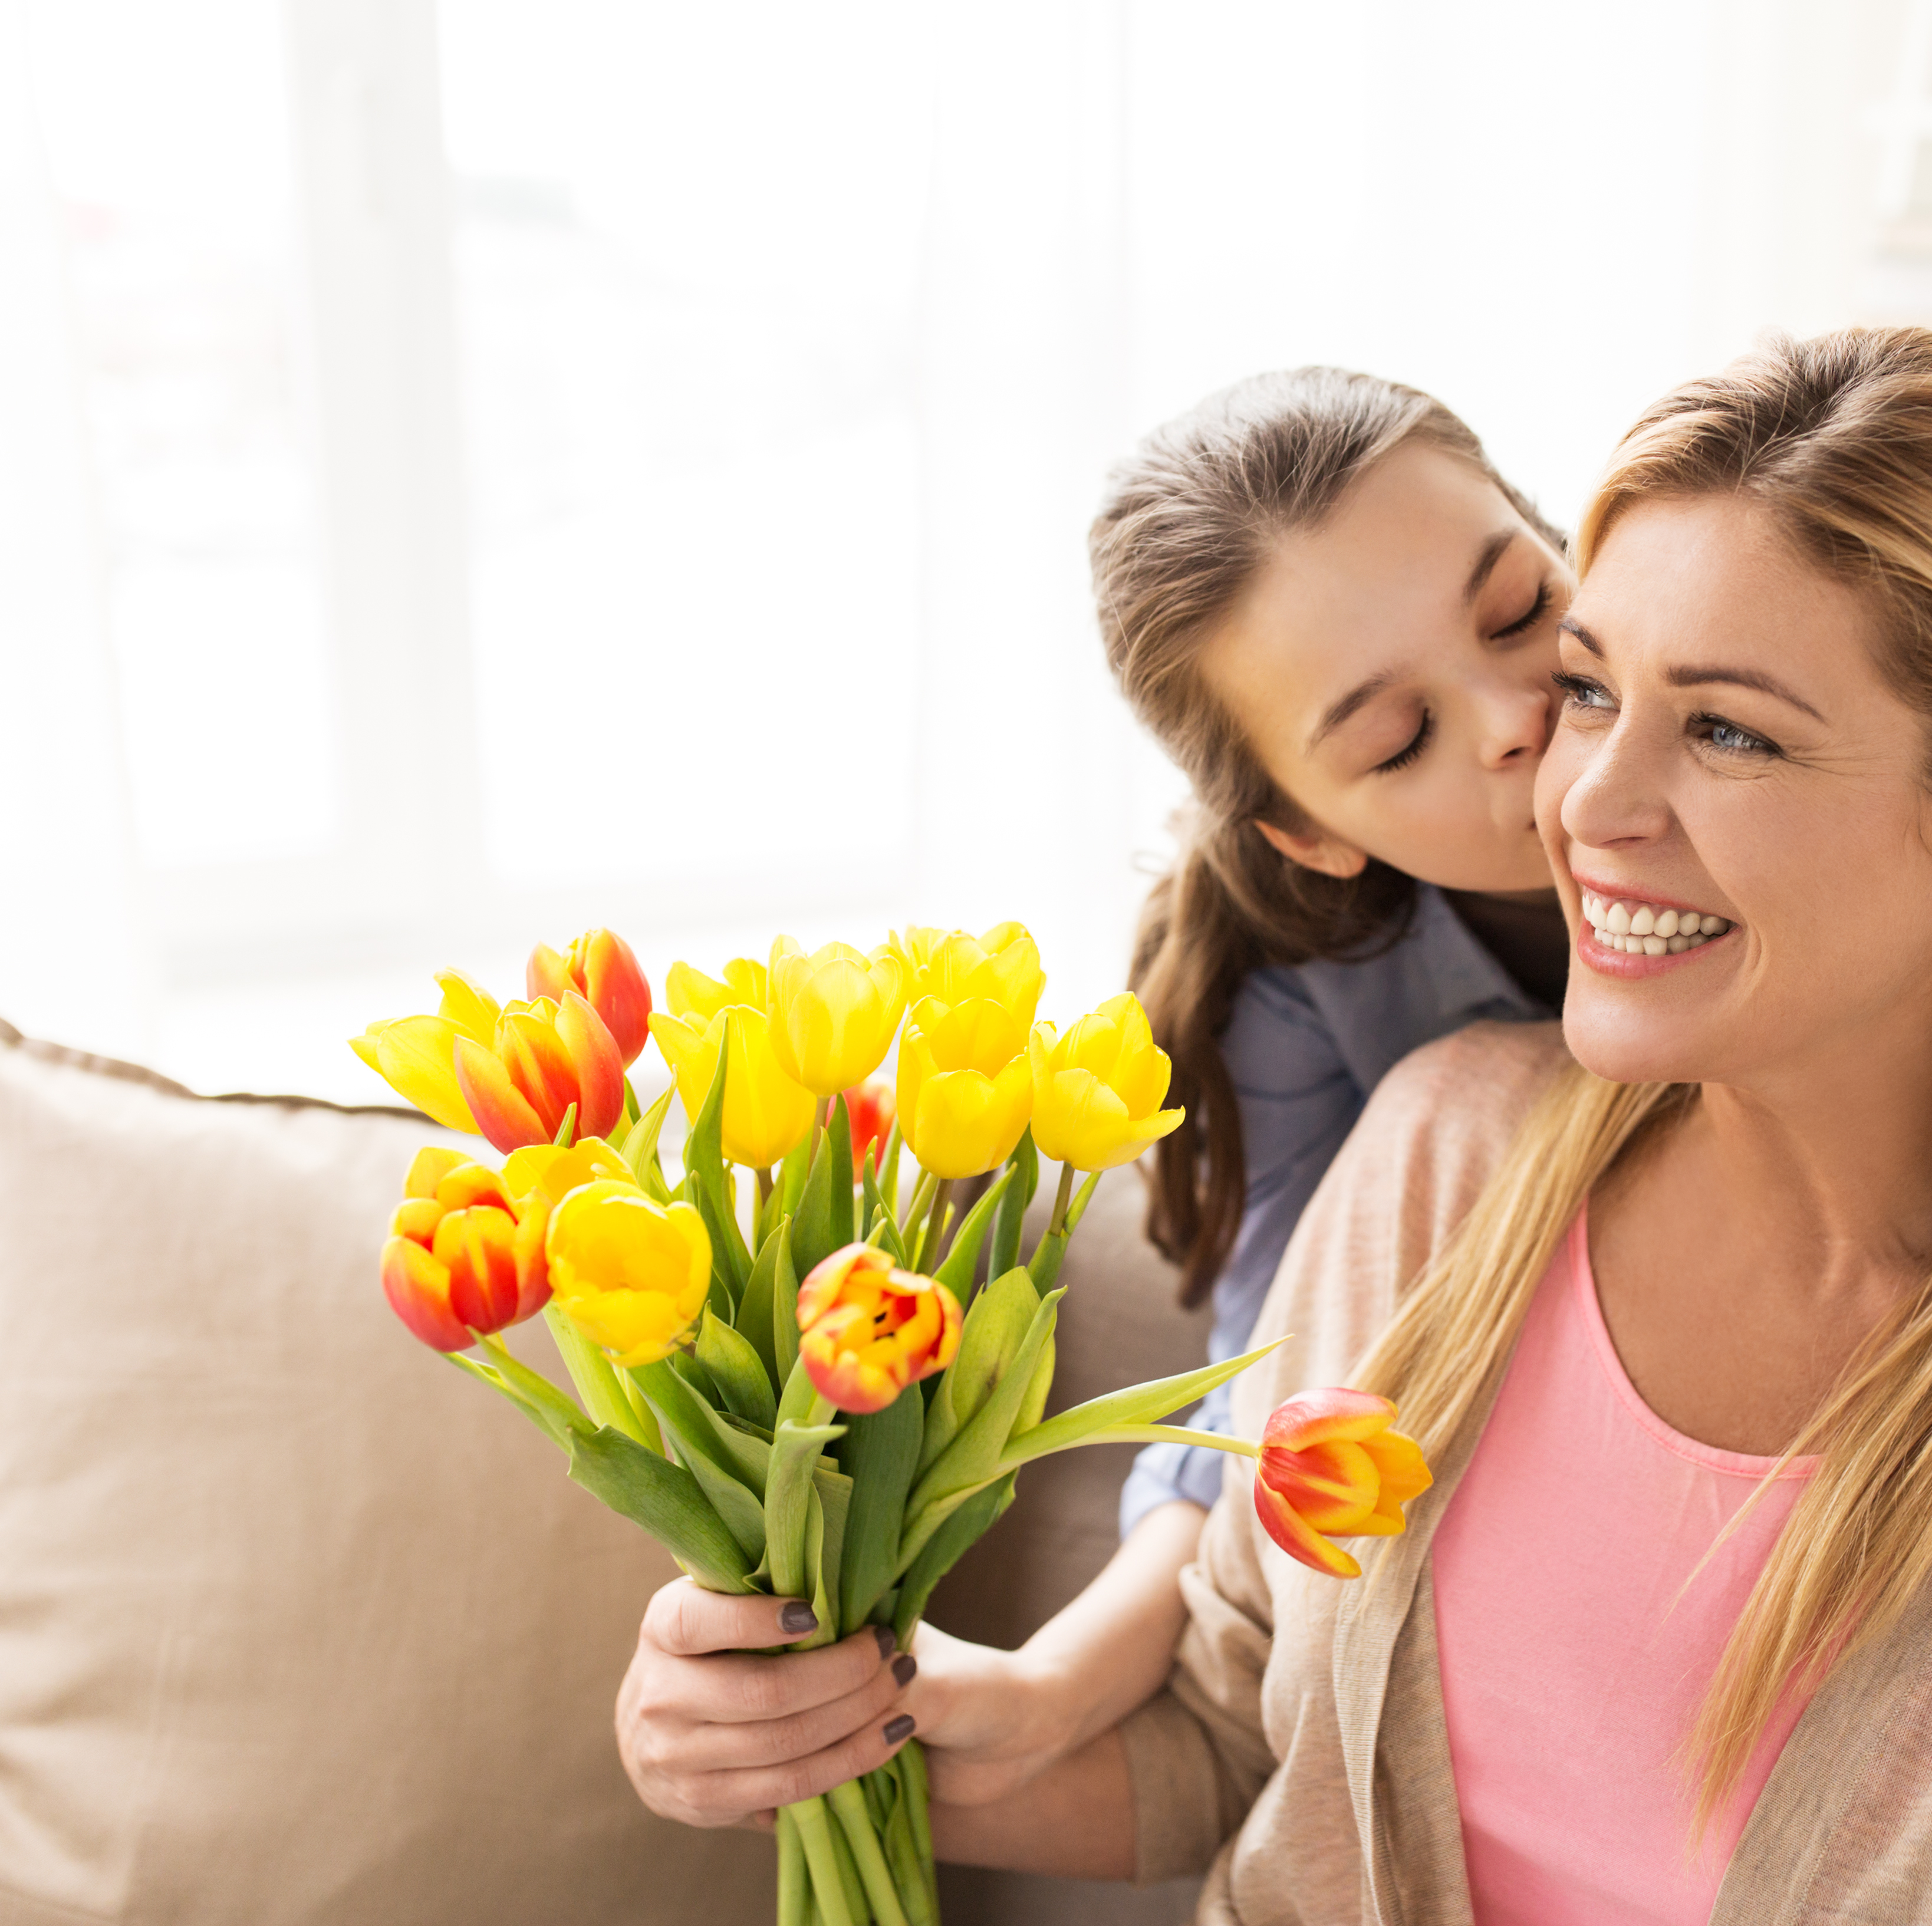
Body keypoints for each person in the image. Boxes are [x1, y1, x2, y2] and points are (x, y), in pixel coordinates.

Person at [910, 330, 1932, 1921]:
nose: (1579, 797)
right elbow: (1233, 1730)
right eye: (1593, 688)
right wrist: (842, 1723)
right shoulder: (1434, 1156)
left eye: (1729, 729)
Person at [616, 369, 1582, 1823]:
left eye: (1519, 606)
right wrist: (1050, 1685)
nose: (1519, 715)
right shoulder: (1318, 995)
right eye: (1395, 742)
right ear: (1311, 833)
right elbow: (1266, 1386)